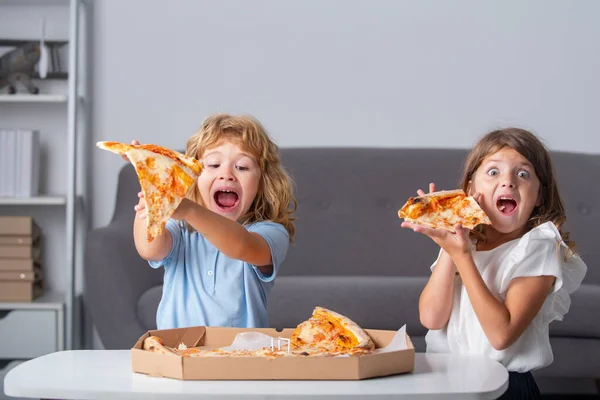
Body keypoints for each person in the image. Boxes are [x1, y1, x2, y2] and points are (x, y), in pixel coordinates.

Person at [401, 127, 587, 399]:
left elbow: (501, 336)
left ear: (539, 197)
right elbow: (431, 318)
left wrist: (463, 258)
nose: (508, 182)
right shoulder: (462, 241)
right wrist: (450, 248)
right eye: (493, 172)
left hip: (504, 387)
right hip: (445, 383)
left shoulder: (538, 246)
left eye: (523, 174)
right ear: (469, 190)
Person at [128, 113, 297, 330]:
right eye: (214, 164)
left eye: (242, 167)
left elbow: (241, 246)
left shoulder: (270, 233)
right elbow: (149, 249)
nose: (226, 174)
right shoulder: (181, 230)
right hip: (177, 352)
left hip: (241, 357)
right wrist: (150, 181)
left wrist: (190, 210)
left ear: (263, 183)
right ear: (191, 176)